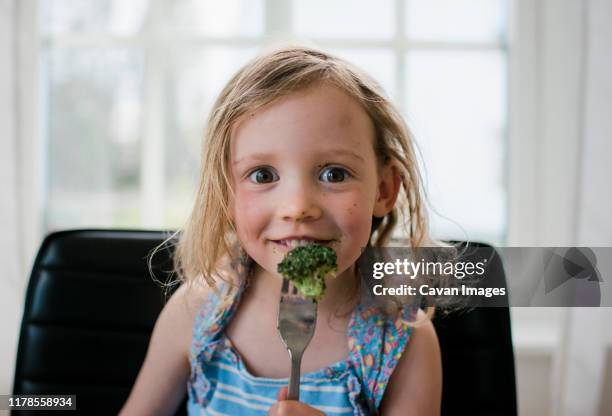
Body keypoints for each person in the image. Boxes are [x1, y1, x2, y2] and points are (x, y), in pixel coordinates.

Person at [120, 46, 442, 416]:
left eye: (334, 174)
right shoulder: (196, 312)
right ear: (227, 194)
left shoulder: (405, 340)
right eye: (262, 176)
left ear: (384, 190)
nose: (297, 207)